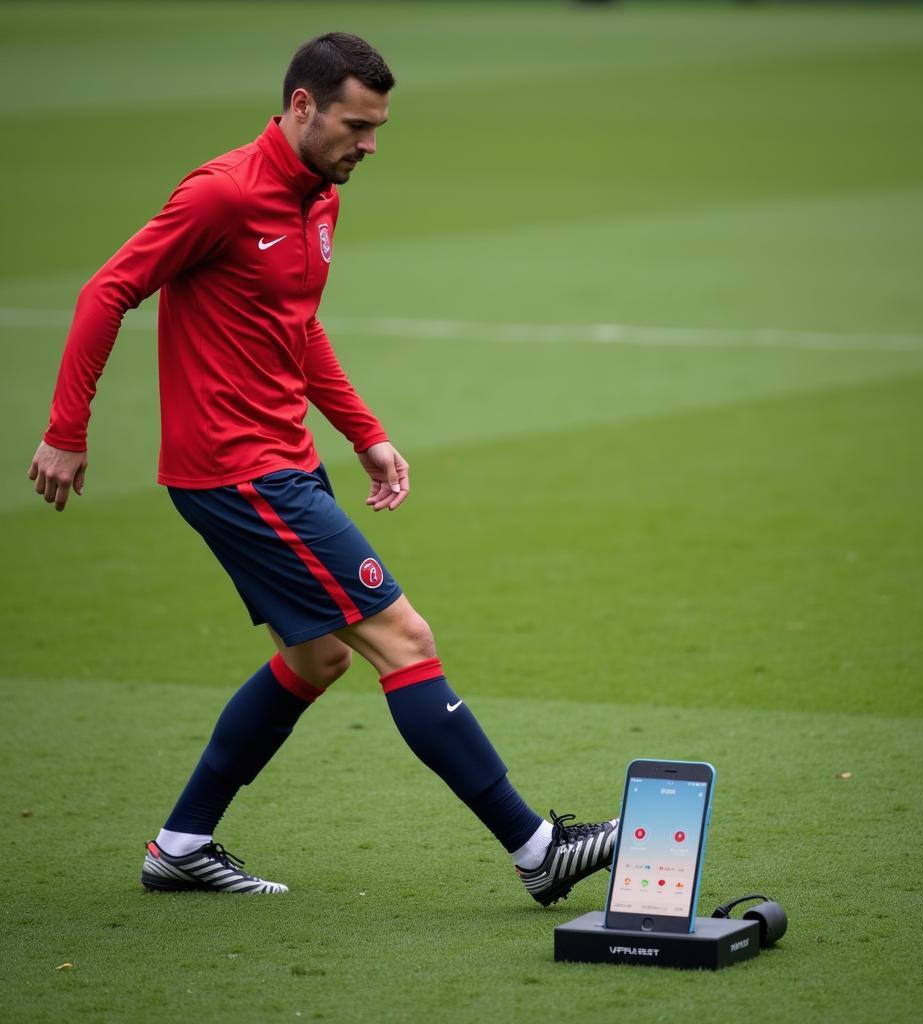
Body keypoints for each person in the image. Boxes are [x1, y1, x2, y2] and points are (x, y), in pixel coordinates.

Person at [29, 32, 617, 903]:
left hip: (284, 462)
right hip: (237, 473)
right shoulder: (222, 194)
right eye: (355, 125)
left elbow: (297, 326)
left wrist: (362, 431)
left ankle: (181, 845)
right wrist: (67, 430)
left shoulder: (320, 194)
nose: (369, 145)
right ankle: (537, 849)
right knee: (403, 639)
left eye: (378, 128)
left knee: (315, 660)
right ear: (302, 107)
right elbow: (107, 290)